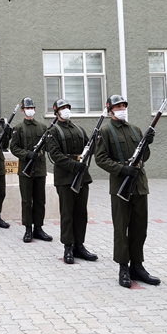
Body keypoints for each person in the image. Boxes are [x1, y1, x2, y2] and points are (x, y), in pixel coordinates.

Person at [94, 94, 160, 288]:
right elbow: (101, 159)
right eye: (118, 106)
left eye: (124, 105)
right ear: (110, 110)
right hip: (120, 186)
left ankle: (137, 266)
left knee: (140, 228)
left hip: (139, 184)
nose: (122, 108)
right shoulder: (105, 131)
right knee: (122, 228)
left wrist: (147, 142)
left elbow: (144, 156)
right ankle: (124, 267)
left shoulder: (136, 129)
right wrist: (122, 169)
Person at [46, 99, 98, 264]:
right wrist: (75, 166)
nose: (66, 110)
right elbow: (55, 155)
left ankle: (79, 246)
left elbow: (90, 148)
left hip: (82, 176)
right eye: (62, 108)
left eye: (67, 107)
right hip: (65, 178)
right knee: (67, 213)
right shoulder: (52, 132)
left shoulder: (79, 129)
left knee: (81, 213)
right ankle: (68, 247)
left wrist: (97, 141)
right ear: (56, 112)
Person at [10, 97, 52, 243]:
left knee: (40, 200)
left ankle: (38, 228)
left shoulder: (43, 127)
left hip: (40, 169)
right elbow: (14, 148)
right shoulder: (18, 129)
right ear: (22, 110)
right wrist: (28, 154)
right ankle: (28, 229)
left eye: (32, 107)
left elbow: (49, 146)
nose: (30, 110)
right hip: (25, 170)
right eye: (27, 108)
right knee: (27, 201)